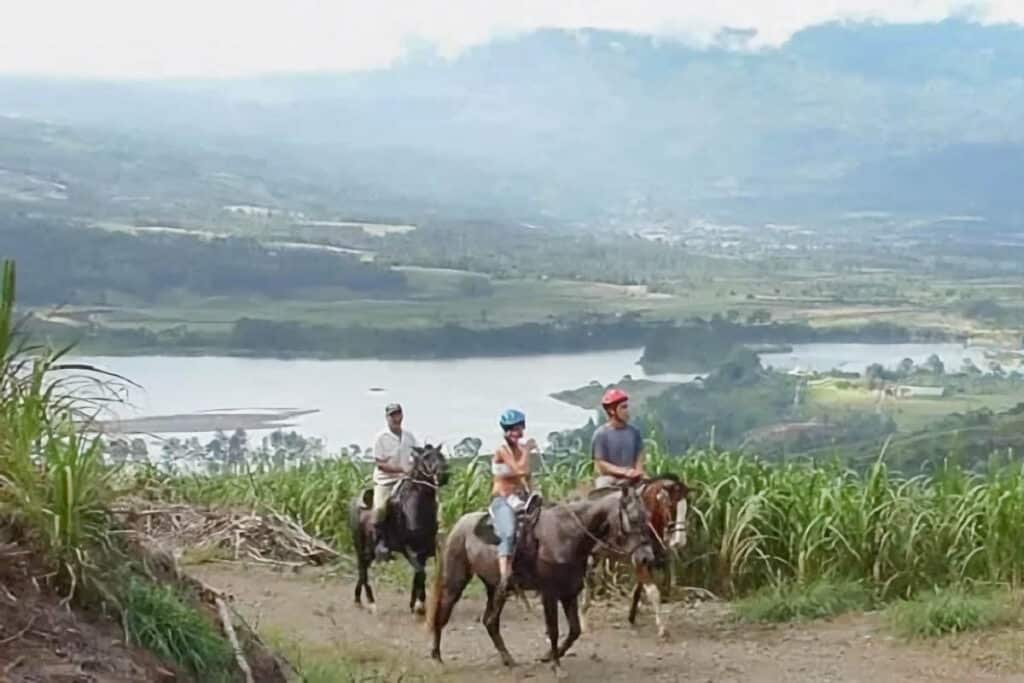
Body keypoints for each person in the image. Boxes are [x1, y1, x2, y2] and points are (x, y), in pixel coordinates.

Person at [490, 408, 533, 601]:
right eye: (512, 430)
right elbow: (520, 469)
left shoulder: (518, 450)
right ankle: (504, 576)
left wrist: (532, 492)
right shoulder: (503, 450)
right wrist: (527, 451)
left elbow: (526, 477)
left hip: (519, 497)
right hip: (502, 498)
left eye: (518, 429)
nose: (516, 433)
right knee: (508, 532)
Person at [371, 403, 418, 561]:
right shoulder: (381, 438)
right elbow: (380, 463)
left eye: (398, 414)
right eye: (392, 415)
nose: (396, 418)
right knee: (380, 508)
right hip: (386, 480)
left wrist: (413, 468)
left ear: (402, 415)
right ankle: (381, 543)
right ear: (387, 418)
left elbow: (415, 457)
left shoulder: (409, 437)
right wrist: (400, 470)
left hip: (405, 479)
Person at [592, 388, 647, 488]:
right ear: (612, 411)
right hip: (610, 478)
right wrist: (624, 472)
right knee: (602, 491)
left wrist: (638, 471)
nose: (627, 411)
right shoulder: (601, 434)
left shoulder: (634, 432)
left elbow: (640, 454)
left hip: (633, 475)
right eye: (623, 407)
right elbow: (600, 463)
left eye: (627, 407)